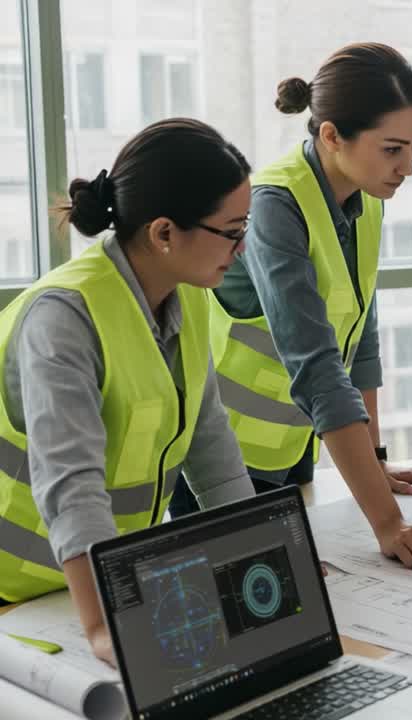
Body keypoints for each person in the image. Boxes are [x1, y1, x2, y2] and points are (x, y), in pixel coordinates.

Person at [184, 43, 412, 574]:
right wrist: (389, 523)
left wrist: (377, 467)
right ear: (331, 135)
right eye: (392, 149)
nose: (408, 167)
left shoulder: (364, 199)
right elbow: (316, 368)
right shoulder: (273, 207)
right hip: (217, 467)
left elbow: (360, 344)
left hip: (292, 456)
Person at [0, 119, 255, 665]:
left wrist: (261, 558)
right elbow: (72, 483)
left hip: (88, 587)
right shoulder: (63, 317)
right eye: (232, 231)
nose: (242, 248)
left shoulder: (186, 299)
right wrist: (101, 626)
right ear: (164, 233)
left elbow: (213, 452)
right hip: (15, 598)